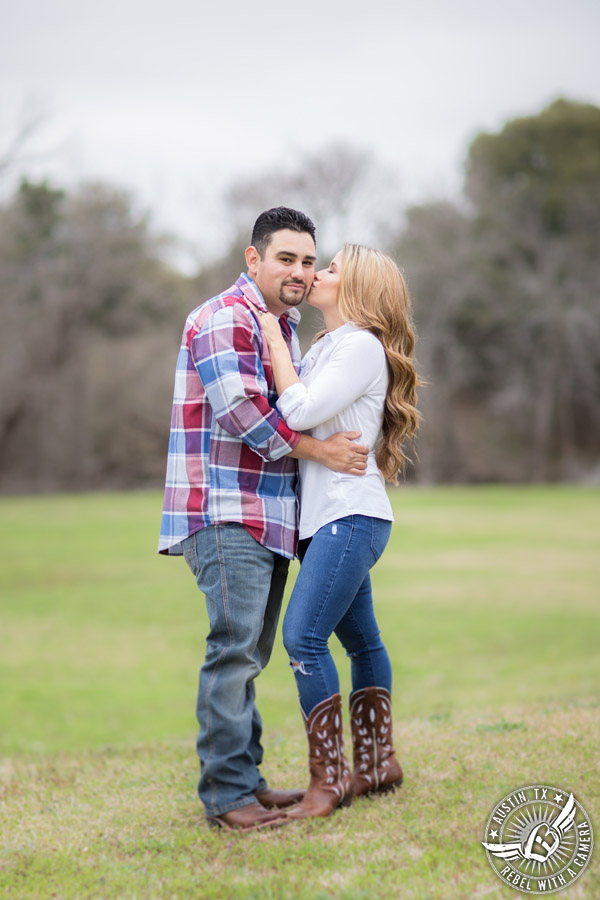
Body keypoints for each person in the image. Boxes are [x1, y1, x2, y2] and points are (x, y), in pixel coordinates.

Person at [158, 208, 370, 831]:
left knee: (248, 651)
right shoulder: (227, 317)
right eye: (286, 258)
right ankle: (227, 797)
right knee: (234, 653)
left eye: (309, 260)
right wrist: (322, 452)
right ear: (253, 259)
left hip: (266, 516)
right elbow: (243, 415)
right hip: (226, 511)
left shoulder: (281, 325)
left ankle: (245, 781)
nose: (300, 271)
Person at [257, 242, 421, 819]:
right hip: (334, 518)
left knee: (302, 638)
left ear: (355, 289)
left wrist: (275, 339)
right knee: (362, 642)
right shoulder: (331, 345)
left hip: (349, 516)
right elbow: (306, 415)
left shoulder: (357, 347)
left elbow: (297, 412)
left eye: (329, 269)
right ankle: (378, 765)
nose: (316, 273)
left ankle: (328, 783)